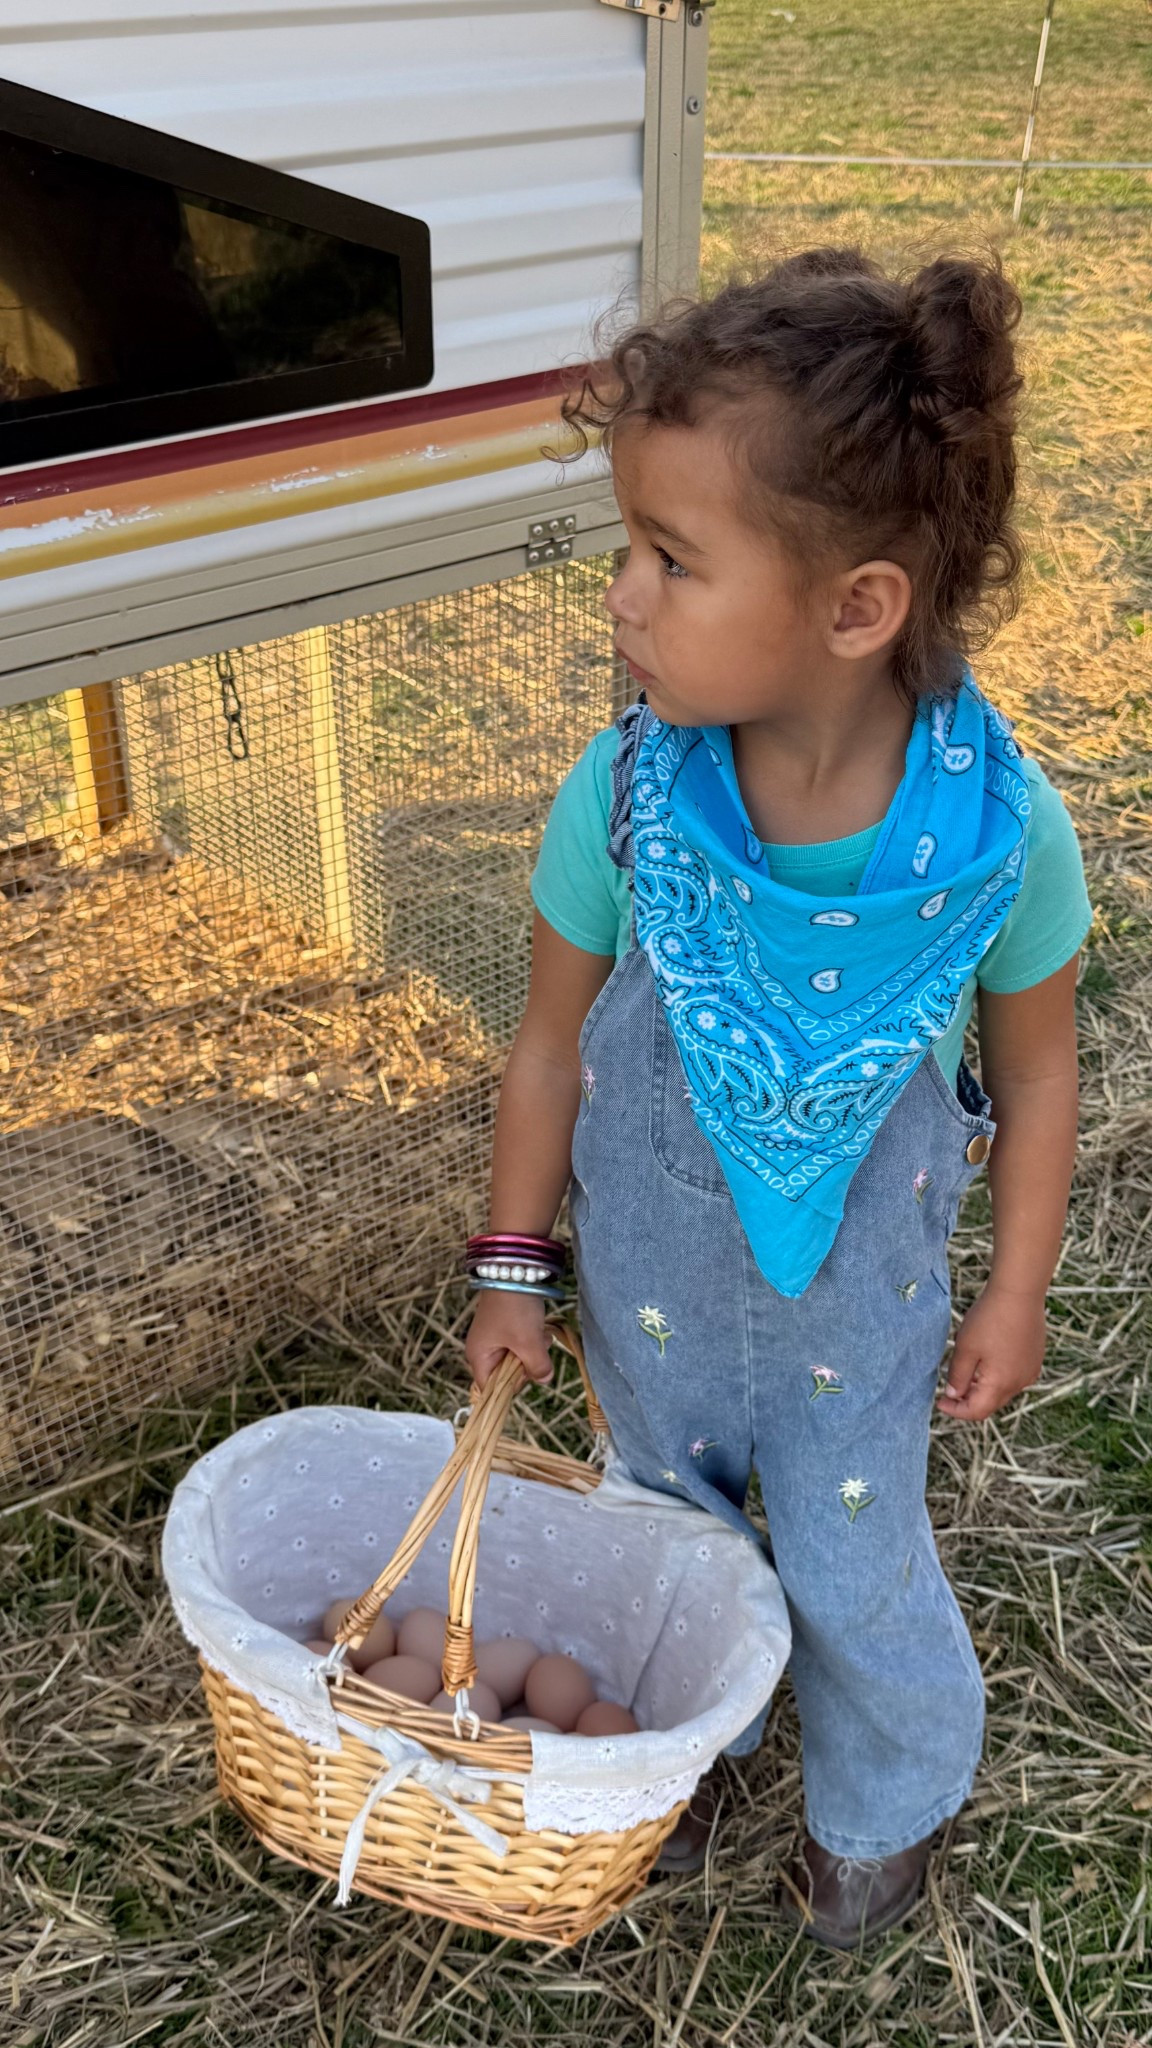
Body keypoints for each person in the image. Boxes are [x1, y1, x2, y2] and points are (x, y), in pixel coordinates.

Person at [463, 248, 1091, 1950]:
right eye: (628, 552)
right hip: (652, 1298)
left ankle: (883, 1805)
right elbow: (546, 1045)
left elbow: (1036, 1071)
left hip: (857, 1320)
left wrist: (1016, 1290)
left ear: (856, 605)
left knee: (849, 1556)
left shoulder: (995, 838)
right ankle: (684, 1743)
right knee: (661, 1542)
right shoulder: (625, 797)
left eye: (672, 561)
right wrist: (514, 1263)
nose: (621, 598)